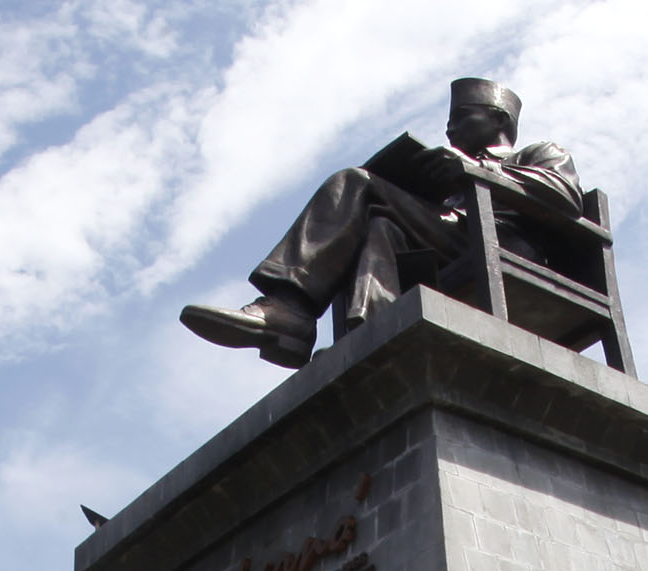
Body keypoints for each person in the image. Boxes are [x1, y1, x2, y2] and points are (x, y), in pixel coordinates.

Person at [178, 78, 591, 366]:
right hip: (446, 239)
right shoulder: (451, 169)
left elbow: (567, 196)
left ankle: (292, 309)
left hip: (503, 244)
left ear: (499, 120)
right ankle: (373, 337)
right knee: (380, 224)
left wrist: (477, 170)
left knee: (354, 182)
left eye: (461, 118)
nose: (449, 131)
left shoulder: (541, 152)